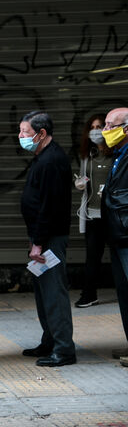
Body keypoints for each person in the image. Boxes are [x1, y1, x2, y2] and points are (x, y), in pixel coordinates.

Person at [18, 111, 76, 367]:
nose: (20, 137)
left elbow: (49, 207)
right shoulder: (43, 156)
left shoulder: (52, 160)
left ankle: (64, 349)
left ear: (41, 134)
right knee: (43, 293)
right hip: (41, 236)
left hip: (49, 239)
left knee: (54, 294)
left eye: (25, 133)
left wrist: (38, 242)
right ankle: (49, 340)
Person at [98, 107, 128, 366]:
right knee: (124, 292)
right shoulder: (119, 153)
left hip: (126, 234)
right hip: (118, 235)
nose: (105, 131)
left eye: (110, 125)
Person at [75, 114, 112, 308]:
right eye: (93, 127)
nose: (96, 131)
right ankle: (89, 294)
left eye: (100, 126)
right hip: (92, 213)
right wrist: (80, 183)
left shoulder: (116, 154)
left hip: (113, 215)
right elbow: (83, 180)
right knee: (92, 258)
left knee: (120, 257)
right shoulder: (87, 155)